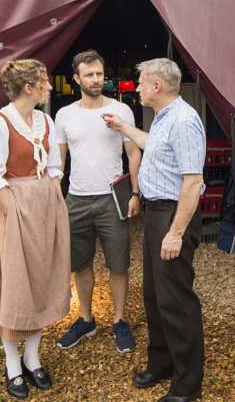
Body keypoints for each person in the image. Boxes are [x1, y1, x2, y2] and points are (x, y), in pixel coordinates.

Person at [102, 58, 205, 402]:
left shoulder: (185, 121)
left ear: (157, 87)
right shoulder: (165, 118)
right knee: (154, 296)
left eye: (142, 82)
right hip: (157, 213)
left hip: (174, 215)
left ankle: (187, 385)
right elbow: (154, 145)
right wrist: (123, 128)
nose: (139, 87)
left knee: (176, 300)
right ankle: (162, 363)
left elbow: (193, 183)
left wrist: (175, 233)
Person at [0, 59, 71, 400]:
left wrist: (52, 200)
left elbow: (55, 167)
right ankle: (12, 364)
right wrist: (19, 212)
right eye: (45, 83)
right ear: (28, 88)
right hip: (14, 209)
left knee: (42, 281)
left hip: (45, 207)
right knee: (15, 285)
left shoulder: (45, 119)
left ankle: (33, 359)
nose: (50, 88)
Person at [53, 50, 142, 353]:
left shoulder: (121, 111)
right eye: (89, 75)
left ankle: (119, 321)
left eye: (99, 74)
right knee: (80, 264)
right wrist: (56, 199)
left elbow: (133, 153)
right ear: (77, 78)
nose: (95, 80)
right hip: (76, 199)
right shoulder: (64, 115)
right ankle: (86, 319)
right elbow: (59, 162)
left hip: (111, 199)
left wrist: (135, 193)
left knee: (118, 264)